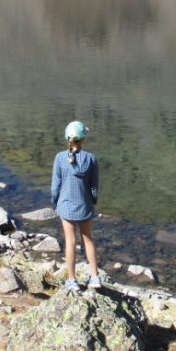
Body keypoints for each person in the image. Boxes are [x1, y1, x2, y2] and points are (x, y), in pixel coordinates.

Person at [51, 120, 101, 292]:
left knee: (70, 242)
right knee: (88, 239)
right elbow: (94, 187)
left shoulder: (59, 158)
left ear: (68, 138)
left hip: (66, 206)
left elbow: (55, 186)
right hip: (85, 206)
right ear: (83, 139)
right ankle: (95, 277)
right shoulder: (91, 159)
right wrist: (93, 201)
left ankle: (72, 280)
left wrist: (55, 202)